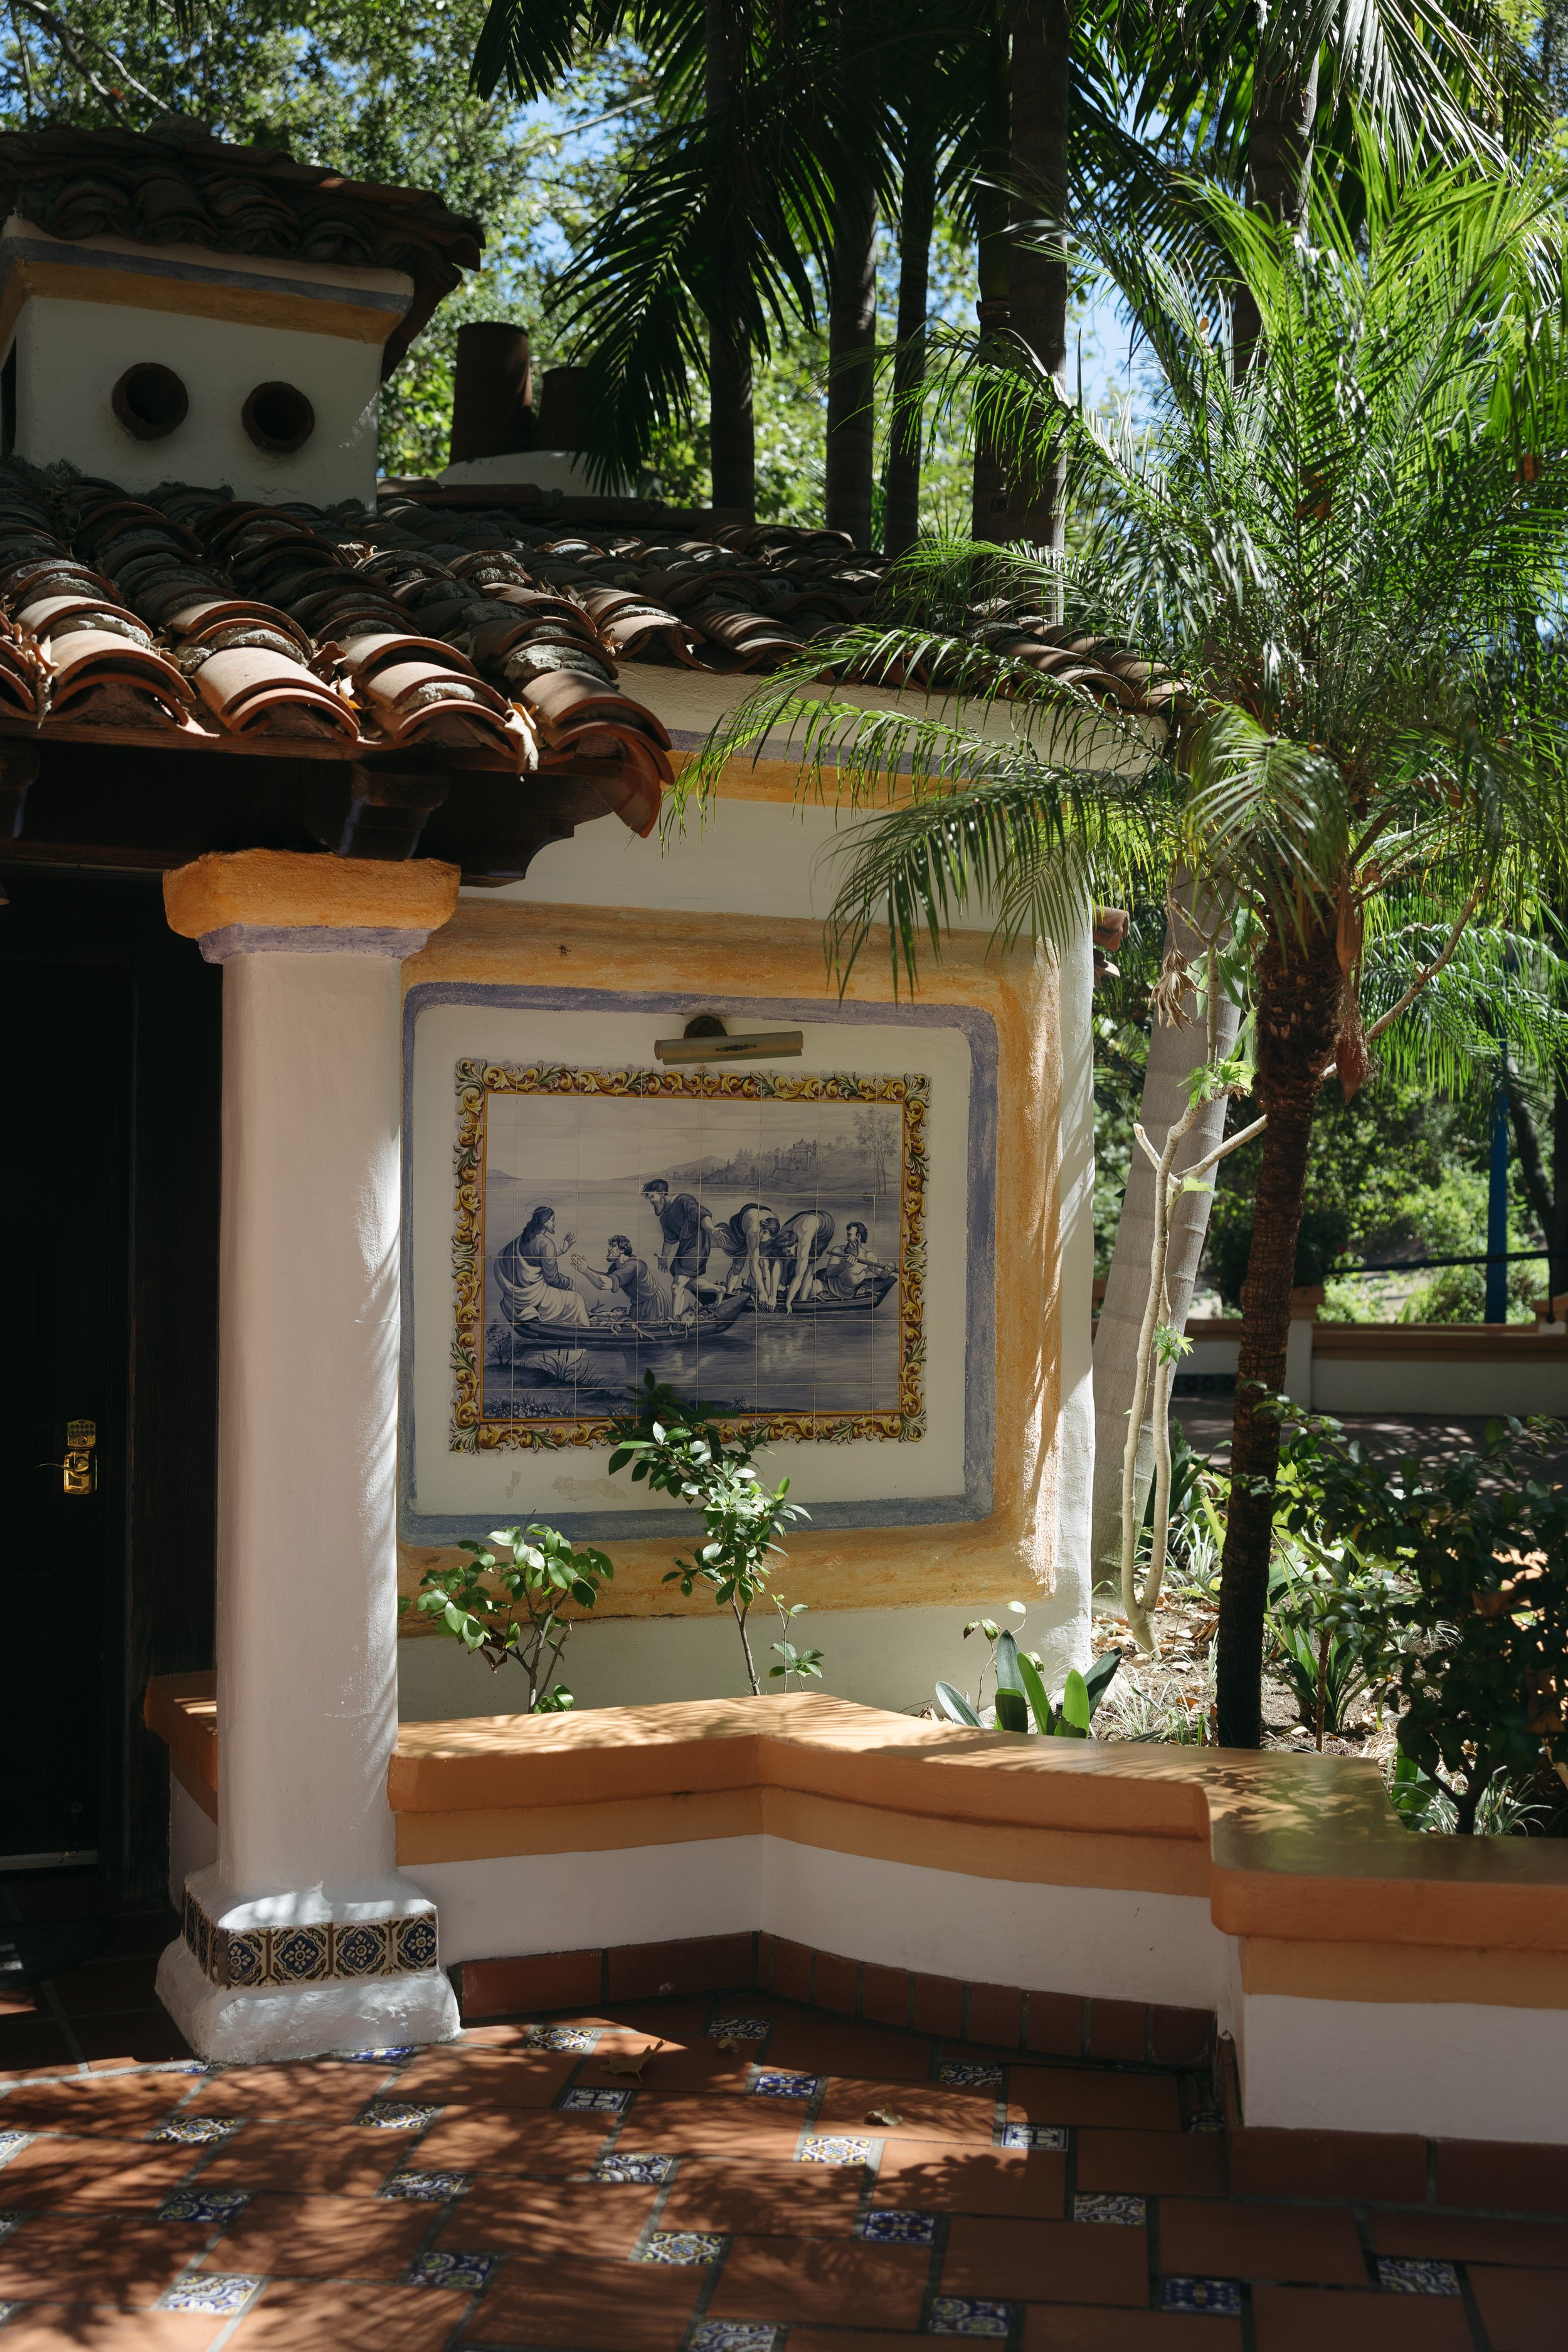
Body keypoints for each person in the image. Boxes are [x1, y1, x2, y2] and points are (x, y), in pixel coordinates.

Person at [494, 1205, 591, 1335]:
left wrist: (561, 1250)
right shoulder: (546, 1244)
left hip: (519, 1298)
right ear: (544, 1221)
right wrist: (570, 1283)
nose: (554, 1224)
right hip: (537, 1297)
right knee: (578, 1299)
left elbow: (534, 1259)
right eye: (552, 1220)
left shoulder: (522, 1239)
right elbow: (553, 1279)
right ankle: (586, 1335)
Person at [642, 1178, 716, 1315]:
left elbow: (701, 1214)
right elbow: (670, 1240)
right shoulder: (664, 1218)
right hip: (685, 1248)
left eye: (653, 1197)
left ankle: (675, 1322)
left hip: (698, 1243)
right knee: (687, 1283)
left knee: (677, 1285)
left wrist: (712, 1230)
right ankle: (718, 1290)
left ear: (662, 1193)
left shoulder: (683, 1200)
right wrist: (664, 1257)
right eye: (649, 1198)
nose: (651, 1201)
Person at [571, 1235, 675, 1325]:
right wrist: (587, 1268)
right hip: (638, 1304)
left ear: (622, 1250)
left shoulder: (633, 1265)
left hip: (654, 1304)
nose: (609, 1249)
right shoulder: (616, 1267)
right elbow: (604, 1278)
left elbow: (604, 1284)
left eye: (613, 1246)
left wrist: (585, 1270)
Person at [708, 1202, 781, 1305]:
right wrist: (762, 1292)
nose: (761, 1234)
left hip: (759, 1215)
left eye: (764, 1233)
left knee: (764, 1264)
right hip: (740, 1230)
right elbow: (753, 1264)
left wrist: (772, 1296)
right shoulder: (755, 1232)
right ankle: (727, 1296)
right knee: (738, 1266)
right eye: (762, 1231)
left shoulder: (775, 1226)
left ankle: (763, 1295)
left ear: (773, 1236)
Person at [770, 1207, 835, 1313]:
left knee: (808, 1266)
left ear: (795, 1243)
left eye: (789, 1251)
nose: (788, 1255)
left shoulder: (804, 1242)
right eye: (785, 1252)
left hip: (824, 1226)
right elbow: (778, 1264)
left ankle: (802, 1303)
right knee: (794, 1261)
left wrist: (788, 1302)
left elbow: (799, 1275)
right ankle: (801, 1303)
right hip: (805, 1221)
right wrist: (772, 1296)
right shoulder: (784, 1233)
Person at [814, 1219, 886, 1300]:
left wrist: (891, 1267)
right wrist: (844, 1266)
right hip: (827, 1290)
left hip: (851, 1295)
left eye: (849, 1235)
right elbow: (829, 1273)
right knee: (815, 1285)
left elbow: (883, 1275)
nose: (847, 1238)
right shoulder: (838, 1250)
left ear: (858, 1236)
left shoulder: (869, 1257)